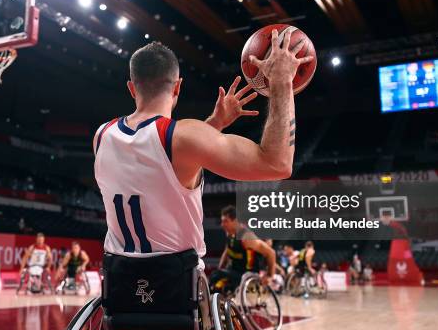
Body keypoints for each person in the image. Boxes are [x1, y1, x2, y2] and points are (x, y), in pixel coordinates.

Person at [94, 32, 306, 270]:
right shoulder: (186, 136)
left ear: (132, 88)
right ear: (177, 87)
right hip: (174, 285)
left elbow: (158, 158)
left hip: (118, 283)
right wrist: (281, 81)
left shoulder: (102, 134)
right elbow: (277, 164)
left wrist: (214, 123)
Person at [209, 206, 276, 293]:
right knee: (215, 276)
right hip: (235, 271)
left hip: (247, 274)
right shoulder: (230, 234)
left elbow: (271, 253)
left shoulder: (247, 237)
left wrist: (270, 276)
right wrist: (220, 268)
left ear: (235, 221)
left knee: (219, 278)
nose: (222, 224)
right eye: (222, 221)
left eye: (225, 221)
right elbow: (226, 252)